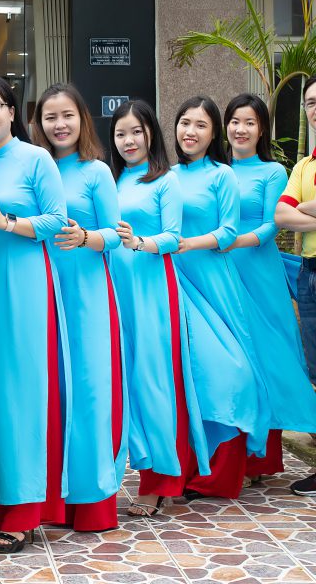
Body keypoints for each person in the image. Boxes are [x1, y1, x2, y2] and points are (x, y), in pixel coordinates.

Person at [0, 76, 70, 553]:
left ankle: (23, 511)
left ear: (12, 111)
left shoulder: (36, 159)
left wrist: (7, 222)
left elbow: (57, 220)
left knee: (23, 392)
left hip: (26, 283)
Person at [108, 100, 210, 517]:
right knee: (123, 382)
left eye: (137, 131)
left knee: (153, 381)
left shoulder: (166, 180)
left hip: (151, 285)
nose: (129, 140)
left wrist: (139, 242)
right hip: (114, 286)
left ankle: (159, 485)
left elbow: (172, 236)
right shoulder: (112, 178)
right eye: (121, 133)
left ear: (151, 133)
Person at [32, 82, 126, 532]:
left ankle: (90, 501)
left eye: (67, 115)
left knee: (89, 391)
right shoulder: (36, 168)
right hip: (42, 290)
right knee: (53, 391)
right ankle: (51, 497)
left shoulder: (96, 171)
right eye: (50, 117)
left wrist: (88, 237)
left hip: (87, 292)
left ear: (82, 119)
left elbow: (116, 234)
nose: (59, 124)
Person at [172, 95, 269, 500]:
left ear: (214, 134)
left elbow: (229, 232)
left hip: (214, 282)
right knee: (189, 375)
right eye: (185, 123)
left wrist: (187, 243)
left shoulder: (222, 175)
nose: (190, 132)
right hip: (174, 282)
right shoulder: (166, 175)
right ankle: (185, 471)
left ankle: (221, 474)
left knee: (232, 370)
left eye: (201, 125)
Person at [225, 94, 316, 483]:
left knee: (269, 360)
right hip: (220, 273)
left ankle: (259, 459)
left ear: (262, 129)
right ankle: (233, 458)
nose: (241, 129)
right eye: (235, 121)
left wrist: (227, 241)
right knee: (234, 363)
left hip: (259, 274)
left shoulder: (273, 171)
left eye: (250, 122)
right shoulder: (215, 170)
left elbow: (270, 225)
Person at [274, 74, 316, 496]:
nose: (315, 109)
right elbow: (282, 215)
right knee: (315, 367)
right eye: (310, 102)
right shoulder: (304, 166)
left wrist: (306, 207)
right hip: (309, 272)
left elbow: (296, 211)